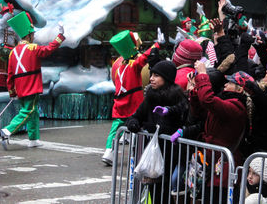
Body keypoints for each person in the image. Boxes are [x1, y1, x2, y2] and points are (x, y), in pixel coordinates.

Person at [125, 60, 189, 204]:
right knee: (154, 189)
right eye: (152, 75)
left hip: (171, 153)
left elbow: (183, 116)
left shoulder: (179, 97)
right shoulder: (150, 97)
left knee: (166, 190)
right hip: (153, 151)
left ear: (166, 78)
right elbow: (136, 116)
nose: (151, 78)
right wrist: (133, 123)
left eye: (156, 75)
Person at [0, 11, 65, 149]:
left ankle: (33, 139)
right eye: (33, 34)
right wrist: (60, 36)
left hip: (20, 86)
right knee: (28, 111)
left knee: (33, 112)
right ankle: (8, 130)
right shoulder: (33, 48)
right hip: (31, 85)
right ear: (28, 35)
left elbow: (10, 74)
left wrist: (12, 91)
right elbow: (48, 49)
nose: (34, 36)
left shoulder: (13, 52)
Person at [189, 61, 248, 202]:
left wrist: (203, 75)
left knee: (214, 199)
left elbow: (208, 100)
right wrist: (195, 89)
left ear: (240, 89)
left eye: (230, 83)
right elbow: (200, 111)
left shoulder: (236, 108)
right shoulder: (225, 102)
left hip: (223, 170)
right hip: (210, 162)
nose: (225, 85)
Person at [101, 30, 161, 165]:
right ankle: (137, 152)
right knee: (139, 126)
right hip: (134, 102)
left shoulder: (119, 67)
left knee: (115, 129)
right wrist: (157, 45)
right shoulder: (133, 65)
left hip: (119, 103)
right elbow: (144, 57)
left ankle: (109, 151)